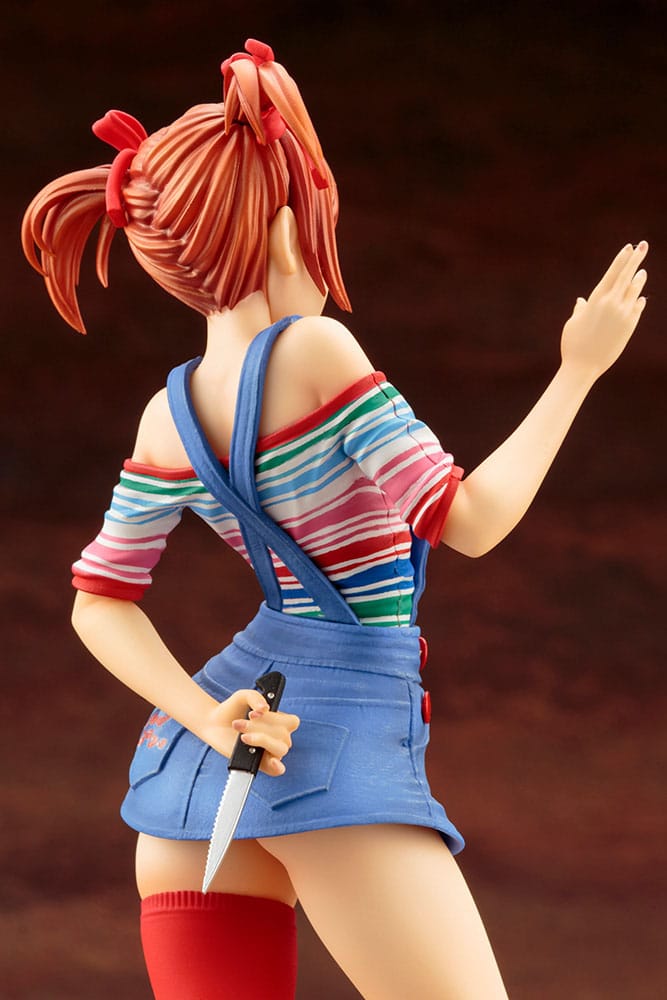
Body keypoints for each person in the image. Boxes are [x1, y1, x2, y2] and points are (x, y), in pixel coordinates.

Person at [22, 38, 647, 1000]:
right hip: (328, 755)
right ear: (286, 232)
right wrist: (577, 372)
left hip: (189, 780)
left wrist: (205, 717)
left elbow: (97, 601)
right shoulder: (316, 350)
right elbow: (469, 520)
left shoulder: (166, 414)